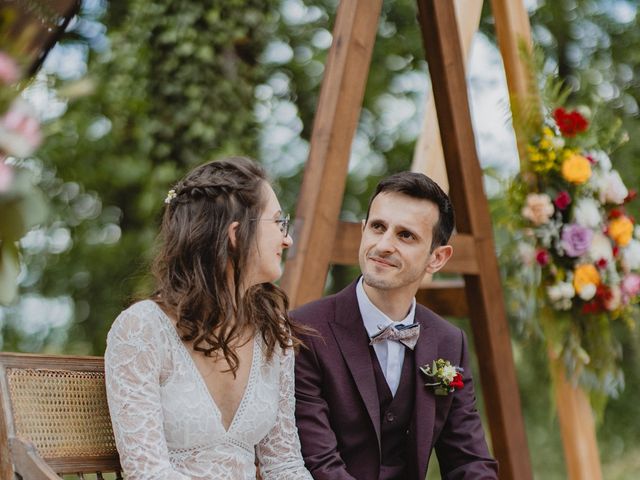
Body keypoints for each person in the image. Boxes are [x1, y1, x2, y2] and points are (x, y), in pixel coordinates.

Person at [105, 157, 313, 480]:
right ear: (236, 234)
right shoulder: (142, 329)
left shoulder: (273, 331)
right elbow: (148, 473)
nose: (287, 239)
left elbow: (284, 463)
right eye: (277, 222)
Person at [293, 171, 499, 479]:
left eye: (406, 235)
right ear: (363, 231)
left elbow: (469, 459)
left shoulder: (448, 341)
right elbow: (319, 464)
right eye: (378, 227)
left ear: (437, 258)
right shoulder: (305, 330)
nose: (384, 245)